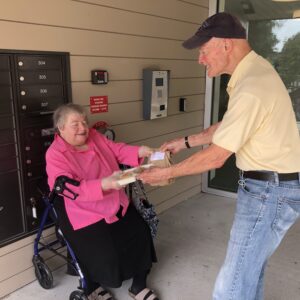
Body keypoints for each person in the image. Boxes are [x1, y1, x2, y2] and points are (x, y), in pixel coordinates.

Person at [138, 12, 300, 300]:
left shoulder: (252, 85)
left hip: (270, 192)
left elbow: (215, 158)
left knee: (233, 284)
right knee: (248, 271)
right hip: (271, 188)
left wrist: (165, 173)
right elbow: (227, 127)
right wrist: (185, 141)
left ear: (226, 44)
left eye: (203, 50)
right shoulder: (252, 73)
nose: (200, 59)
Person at [46, 103, 159, 300]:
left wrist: (141, 151)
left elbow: (117, 149)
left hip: (114, 199)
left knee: (140, 233)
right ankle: (93, 287)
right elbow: (68, 188)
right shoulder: (55, 154)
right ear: (61, 128)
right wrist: (104, 184)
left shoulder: (94, 136)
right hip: (83, 209)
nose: (83, 128)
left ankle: (138, 286)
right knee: (102, 250)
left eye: (84, 122)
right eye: (75, 124)